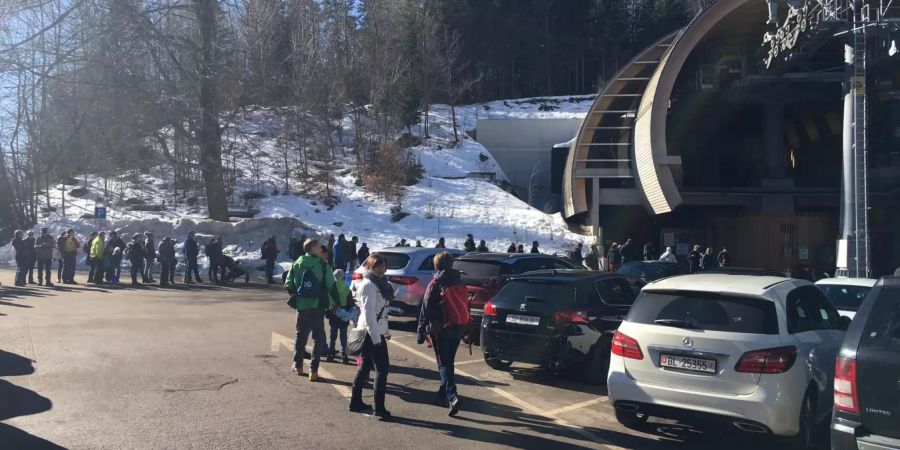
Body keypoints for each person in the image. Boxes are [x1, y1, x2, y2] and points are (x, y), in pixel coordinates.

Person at [418, 252, 469, 416]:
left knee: (443, 364)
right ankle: (442, 394)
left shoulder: (436, 282)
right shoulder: (459, 281)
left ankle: (452, 396)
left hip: (441, 329)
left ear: (437, 265)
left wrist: (420, 330)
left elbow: (425, 308)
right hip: (457, 326)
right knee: (449, 362)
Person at [285, 239, 340, 382]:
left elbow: (288, 283)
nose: (321, 249)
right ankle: (313, 370)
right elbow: (332, 286)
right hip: (318, 306)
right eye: (319, 247)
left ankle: (298, 366)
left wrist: (296, 296)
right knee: (318, 338)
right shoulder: (322, 265)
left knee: (300, 336)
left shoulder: (297, 263)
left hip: (302, 307)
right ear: (314, 248)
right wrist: (337, 303)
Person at [349, 254, 393, 418]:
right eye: (378, 266)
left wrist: (386, 331)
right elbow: (369, 315)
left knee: (365, 366)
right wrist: (376, 339)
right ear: (370, 267)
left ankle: (355, 402)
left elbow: (383, 312)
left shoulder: (382, 284)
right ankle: (379, 407)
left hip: (376, 330)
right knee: (382, 369)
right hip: (370, 332)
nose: (382, 269)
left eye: (384, 265)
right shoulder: (368, 285)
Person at [327, 269, 353, 364]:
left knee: (332, 335)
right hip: (343, 314)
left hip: (333, 313)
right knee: (343, 336)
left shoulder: (331, 289)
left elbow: (328, 302)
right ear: (343, 277)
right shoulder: (346, 289)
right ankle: (344, 354)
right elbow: (350, 303)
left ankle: (331, 353)